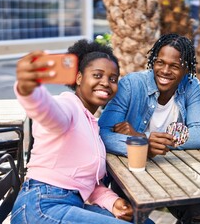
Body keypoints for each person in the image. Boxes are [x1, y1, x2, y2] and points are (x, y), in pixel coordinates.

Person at [11, 39, 135, 224]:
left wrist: (113, 201)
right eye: (97, 75)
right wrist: (29, 90)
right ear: (78, 78)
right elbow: (49, 113)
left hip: (69, 204)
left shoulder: (92, 124)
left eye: (113, 79)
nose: (106, 83)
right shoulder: (68, 105)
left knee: (141, 221)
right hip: (40, 206)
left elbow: (84, 184)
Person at [98, 33, 200, 223]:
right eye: (160, 63)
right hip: (132, 170)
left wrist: (142, 137)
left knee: (198, 215)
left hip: (173, 171)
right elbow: (102, 133)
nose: (165, 70)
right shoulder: (131, 84)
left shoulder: (191, 86)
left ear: (186, 69)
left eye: (174, 66)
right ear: (153, 61)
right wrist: (143, 145)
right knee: (132, 217)